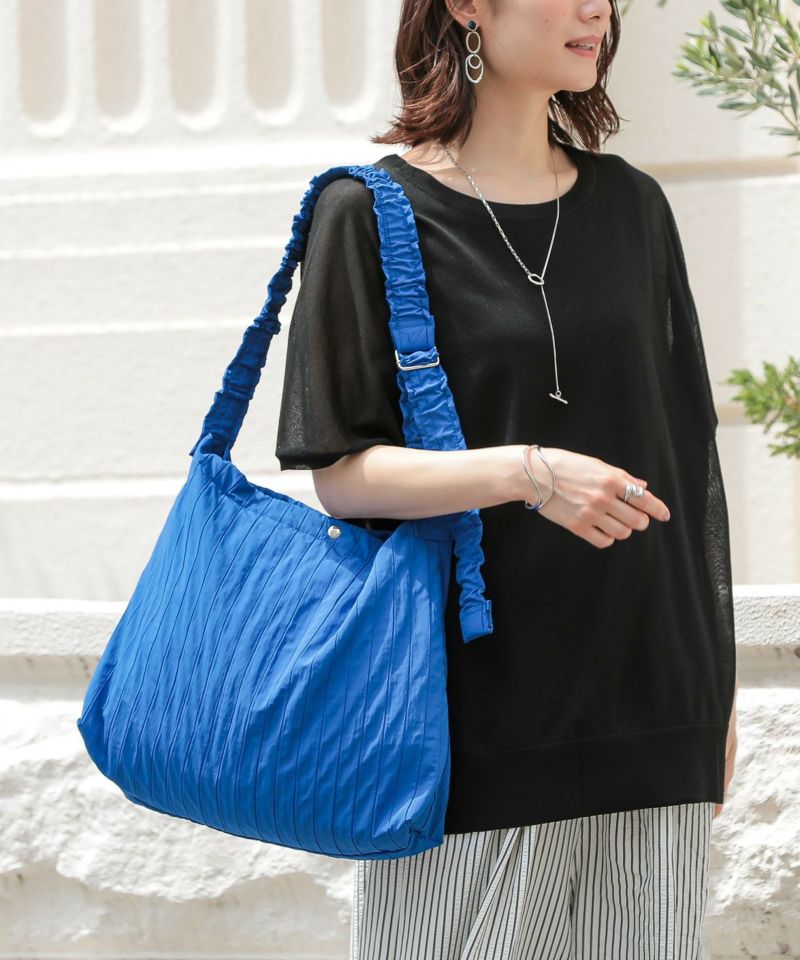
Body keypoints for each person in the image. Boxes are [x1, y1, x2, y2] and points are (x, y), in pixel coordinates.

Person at [275, 0, 739, 956]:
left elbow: (690, 457)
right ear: (466, 7)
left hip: (650, 694)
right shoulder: (368, 212)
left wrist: (716, 689)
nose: (595, 8)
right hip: (470, 719)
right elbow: (342, 474)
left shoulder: (635, 207)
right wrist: (529, 472)